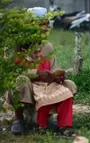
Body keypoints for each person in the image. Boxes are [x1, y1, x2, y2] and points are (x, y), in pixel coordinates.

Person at [6, 7, 77, 137]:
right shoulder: (16, 45)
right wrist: (36, 73)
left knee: (69, 84)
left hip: (45, 85)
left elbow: (54, 67)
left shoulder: (47, 46)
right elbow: (11, 71)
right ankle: (19, 119)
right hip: (26, 84)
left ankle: (48, 119)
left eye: (46, 24)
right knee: (21, 81)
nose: (46, 28)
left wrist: (58, 75)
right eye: (41, 24)